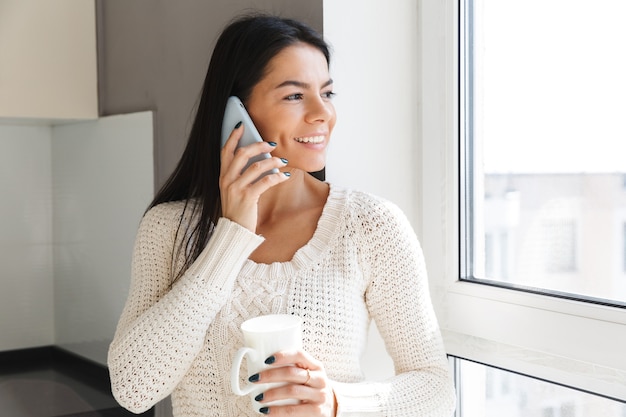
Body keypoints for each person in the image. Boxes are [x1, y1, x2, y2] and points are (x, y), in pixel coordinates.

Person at [107, 13, 456, 417]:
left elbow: (435, 389)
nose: (322, 113)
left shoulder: (370, 225)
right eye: (294, 96)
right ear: (235, 113)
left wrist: (338, 401)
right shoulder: (169, 230)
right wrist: (231, 236)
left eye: (327, 93)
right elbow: (133, 389)